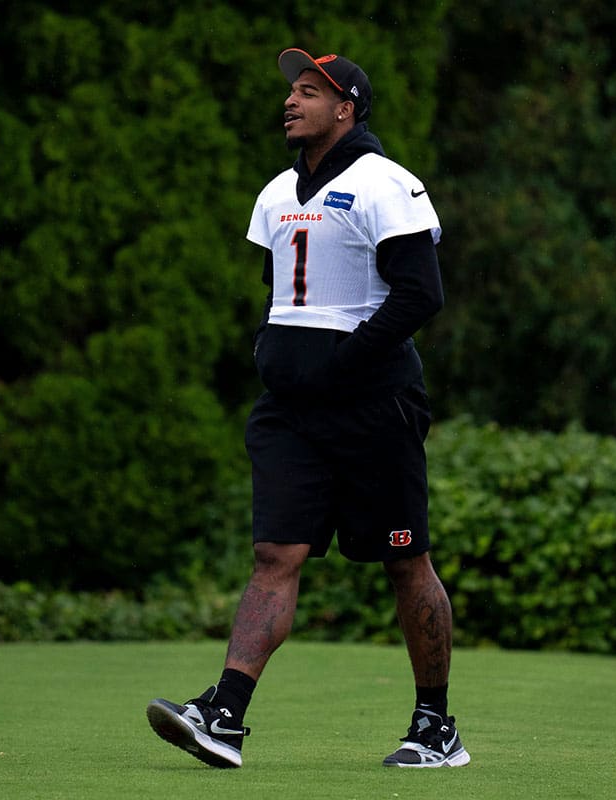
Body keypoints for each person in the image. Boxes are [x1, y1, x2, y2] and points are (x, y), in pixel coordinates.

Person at [146, 48, 469, 769]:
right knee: (274, 554)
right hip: (291, 411)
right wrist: (274, 354)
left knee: (404, 559)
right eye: (290, 91)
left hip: (375, 409)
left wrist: (343, 364)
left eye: (309, 92)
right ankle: (224, 715)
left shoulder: (389, 185)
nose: (291, 102)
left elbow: (422, 295)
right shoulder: (273, 194)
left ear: (346, 108)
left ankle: (435, 727)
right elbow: (284, 297)